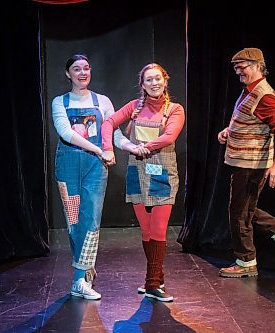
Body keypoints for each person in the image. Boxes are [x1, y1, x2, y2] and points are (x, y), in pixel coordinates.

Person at [101, 63, 185, 301]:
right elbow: (108, 124)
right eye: (148, 80)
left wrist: (143, 147)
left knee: (159, 230)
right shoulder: (134, 108)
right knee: (147, 232)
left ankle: (151, 283)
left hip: (163, 175)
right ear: (142, 85)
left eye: (157, 79)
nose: (154, 83)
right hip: (137, 173)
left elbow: (169, 136)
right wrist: (110, 148)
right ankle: (156, 277)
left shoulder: (175, 109)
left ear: (165, 80)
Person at [217, 47, 275, 278]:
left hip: (251, 163)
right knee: (243, 209)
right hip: (243, 160)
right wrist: (228, 131)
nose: (238, 72)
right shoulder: (249, 91)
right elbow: (250, 120)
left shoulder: (263, 94)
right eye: (235, 68)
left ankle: (246, 262)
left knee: (239, 214)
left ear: (257, 66)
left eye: (242, 67)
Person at [51, 54, 128, 299]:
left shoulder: (102, 101)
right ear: (68, 74)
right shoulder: (60, 102)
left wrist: (130, 147)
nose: (82, 73)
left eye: (86, 68)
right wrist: (99, 149)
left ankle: (79, 279)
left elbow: (111, 133)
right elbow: (65, 133)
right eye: (76, 69)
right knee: (74, 222)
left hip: (95, 168)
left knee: (91, 220)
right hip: (69, 165)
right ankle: (83, 273)